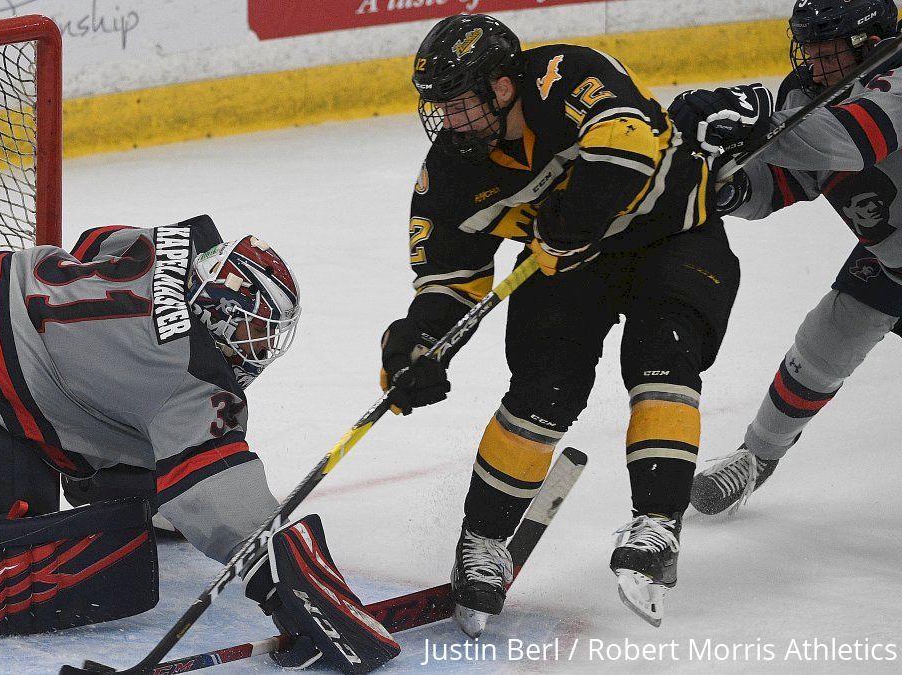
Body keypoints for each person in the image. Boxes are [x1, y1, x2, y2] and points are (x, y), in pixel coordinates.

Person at [0, 215, 399, 674]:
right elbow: (225, 502)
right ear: (221, 313)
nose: (255, 352)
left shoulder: (174, 246)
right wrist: (296, 588)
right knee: (11, 559)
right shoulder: (189, 374)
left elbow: (97, 240)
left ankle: (105, 483)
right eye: (252, 334)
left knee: (141, 467)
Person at [381, 13, 741, 631]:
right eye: (440, 107)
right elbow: (449, 281)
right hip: (568, 265)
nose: (449, 121)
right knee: (543, 390)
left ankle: (655, 523)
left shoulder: (565, 72)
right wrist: (420, 344)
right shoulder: (449, 175)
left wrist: (567, 225)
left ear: (501, 86)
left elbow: (625, 146)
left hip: (674, 237)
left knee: (662, 361)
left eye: (461, 104)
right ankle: (483, 544)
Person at [668, 0, 902, 515]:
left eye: (828, 50)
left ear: (869, 41)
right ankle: (757, 458)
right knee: (827, 337)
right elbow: (787, 181)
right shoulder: (803, 92)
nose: (815, 64)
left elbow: (854, 141)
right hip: (892, 264)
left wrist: (759, 126)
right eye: (809, 49)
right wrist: (722, 190)